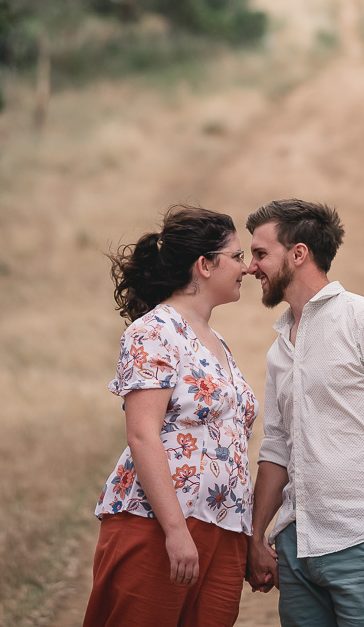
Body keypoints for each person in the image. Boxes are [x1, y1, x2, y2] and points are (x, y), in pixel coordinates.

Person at [244, 198, 364, 627]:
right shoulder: (281, 349)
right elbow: (277, 448)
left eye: (261, 254)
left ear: (299, 254)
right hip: (296, 549)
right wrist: (257, 536)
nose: (250, 266)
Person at [83, 205, 258, 627]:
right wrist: (175, 531)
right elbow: (142, 434)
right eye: (236, 256)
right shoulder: (154, 330)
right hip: (159, 526)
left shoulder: (217, 341)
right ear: (204, 264)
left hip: (224, 528)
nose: (247, 268)